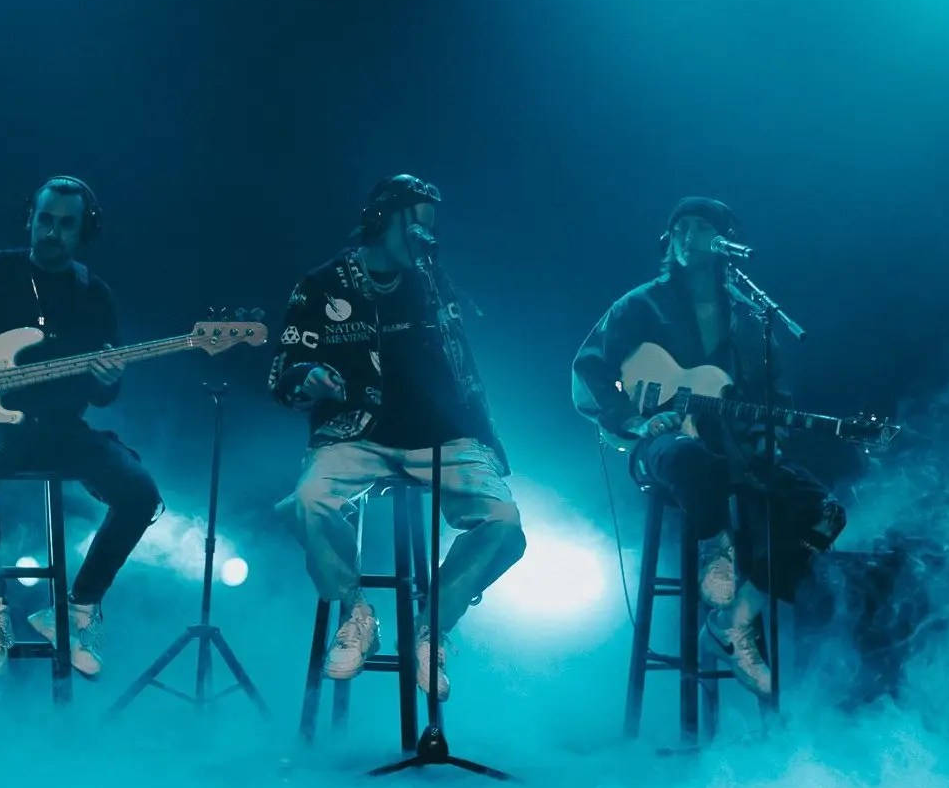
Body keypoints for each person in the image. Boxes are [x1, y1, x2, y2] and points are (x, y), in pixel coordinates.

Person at [571, 196, 845, 696]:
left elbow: (774, 394)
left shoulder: (748, 318)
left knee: (823, 512)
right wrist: (632, 422)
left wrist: (771, 435)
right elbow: (587, 371)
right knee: (693, 460)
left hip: (735, 448)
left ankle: (734, 622)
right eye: (680, 227)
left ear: (722, 243)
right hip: (662, 448)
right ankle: (717, 554)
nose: (687, 236)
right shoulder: (640, 305)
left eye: (701, 228)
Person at [269, 174, 526, 700]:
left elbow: (465, 370)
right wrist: (310, 378)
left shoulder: (433, 285)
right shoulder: (323, 284)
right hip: (354, 435)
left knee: (504, 522)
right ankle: (356, 611)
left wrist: (486, 440)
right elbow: (284, 373)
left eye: (432, 230)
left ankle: (433, 632)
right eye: (416, 228)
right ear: (381, 222)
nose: (425, 241)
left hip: (441, 437)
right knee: (308, 501)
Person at [0, 176, 160, 677]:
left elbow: (103, 396)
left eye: (66, 224)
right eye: (45, 220)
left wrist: (109, 379)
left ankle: (78, 610)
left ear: (84, 232)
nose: (52, 233)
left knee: (140, 492)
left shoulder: (94, 295)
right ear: (30, 219)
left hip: (61, 430)